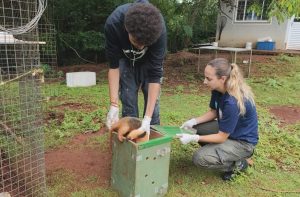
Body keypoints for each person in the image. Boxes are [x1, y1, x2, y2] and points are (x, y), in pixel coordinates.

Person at [176, 58, 258, 181]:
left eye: (209, 79)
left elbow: (221, 137)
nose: (204, 82)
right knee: (195, 128)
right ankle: (222, 152)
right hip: (230, 131)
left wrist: (195, 138)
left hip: (242, 142)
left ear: (223, 79)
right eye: (205, 77)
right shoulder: (218, 90)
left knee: (199, 158)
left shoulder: (232, 102)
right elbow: (214, 112)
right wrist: (193, 121)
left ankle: (239, 164)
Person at [104, 0, 167, 140]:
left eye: (144, 44)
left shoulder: (159, 28)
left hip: (149, 63)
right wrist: (113, 105)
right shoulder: (113, 24)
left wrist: (147, 119)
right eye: (136, 42)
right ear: (126, 28)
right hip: (125, 62)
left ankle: (151, 139)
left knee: (153, 107)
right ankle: (129, 144)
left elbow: (156, 76)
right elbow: (114, 67)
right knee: (128, 102)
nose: (140, 47)